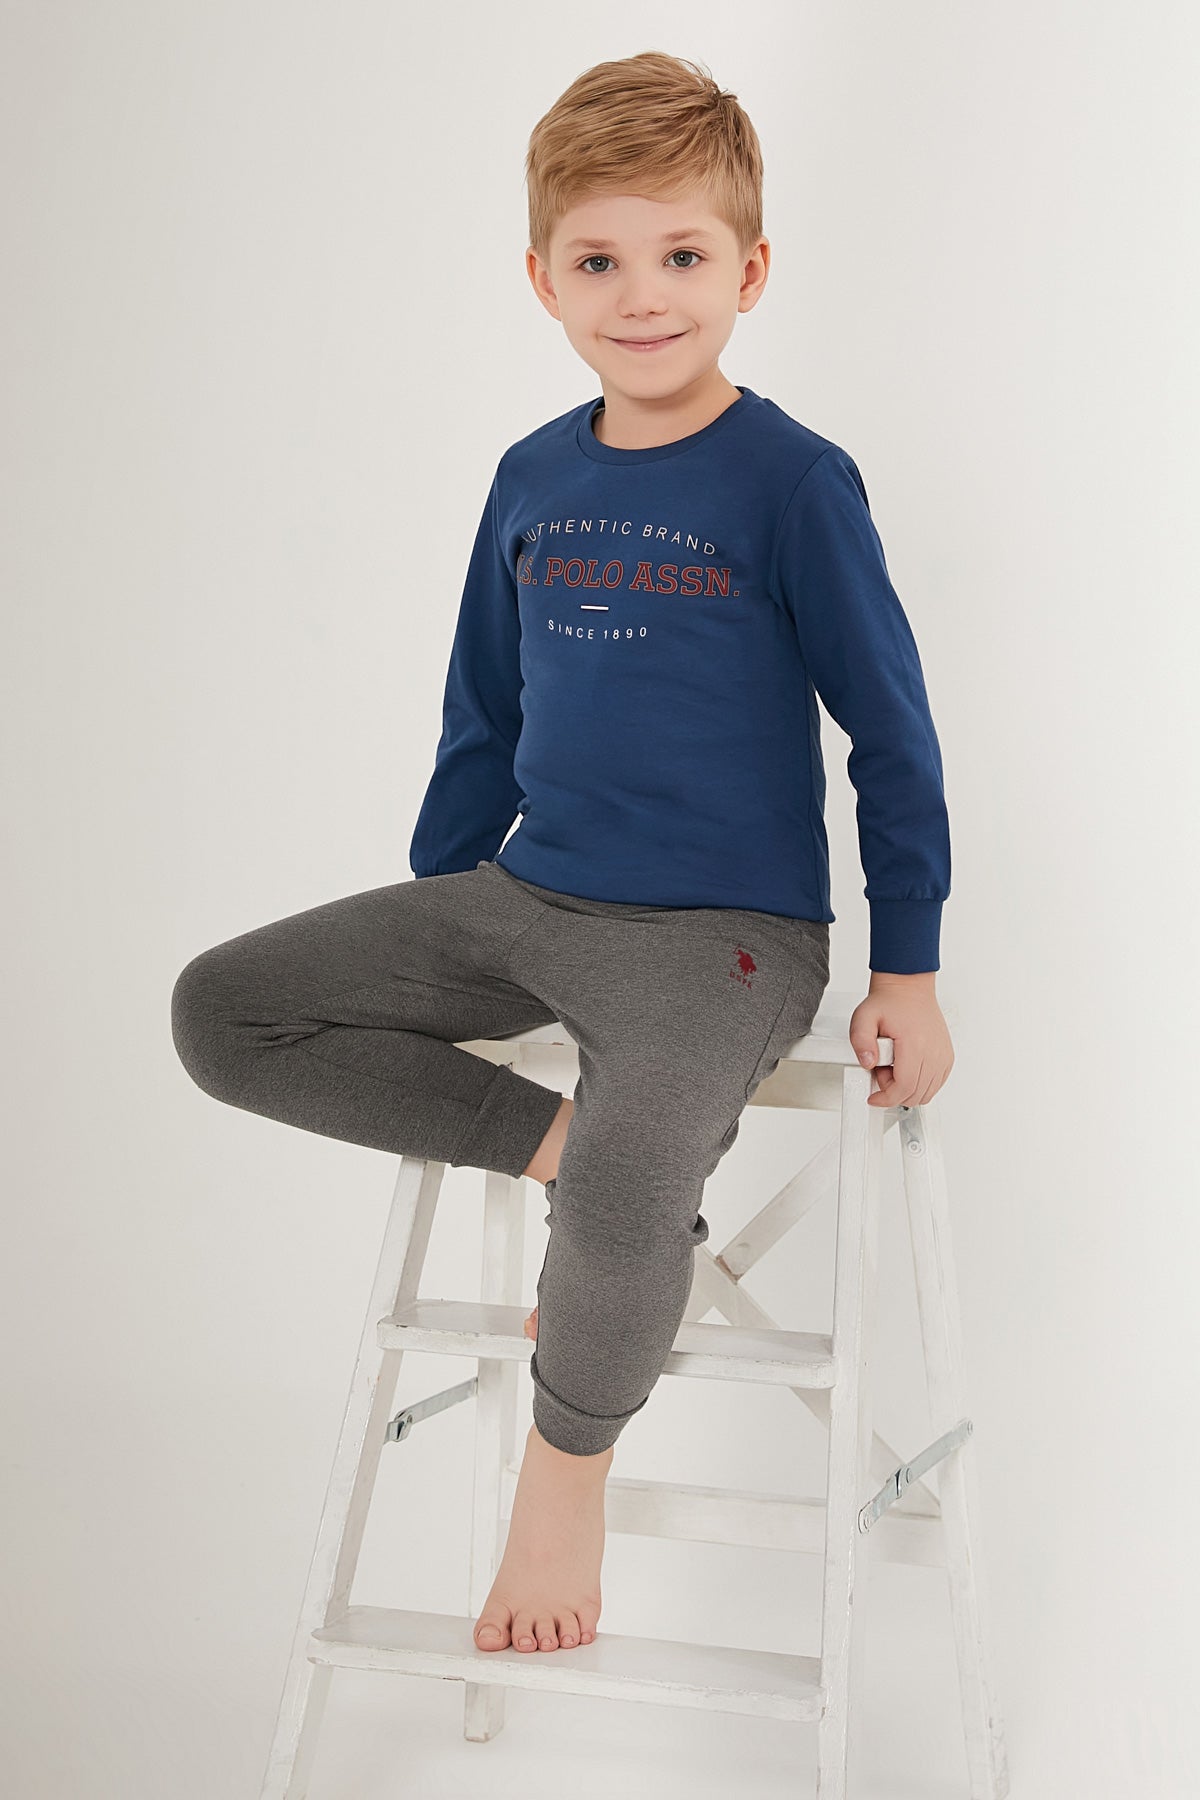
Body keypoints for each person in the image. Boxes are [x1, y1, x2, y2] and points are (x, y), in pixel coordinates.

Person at [170, 50, 954, 1663]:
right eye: (599, 260)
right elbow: (484, 710)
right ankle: (558, 1145)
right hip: (526, 899)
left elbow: (892, 731)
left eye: (682, 256)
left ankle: (564, 1466)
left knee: (635, 1175)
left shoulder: (795, 482)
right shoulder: (533, 476)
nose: (642, 295)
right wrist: (439, 903)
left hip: (726, 937)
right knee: (220, 1010)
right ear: (542, 278)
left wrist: (911, 968)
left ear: (750, 270)